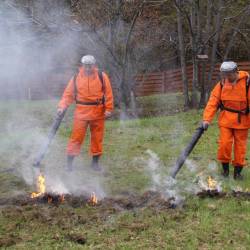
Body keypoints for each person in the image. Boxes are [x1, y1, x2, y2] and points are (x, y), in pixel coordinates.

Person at [57, 55, 114, 171]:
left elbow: (108, 93)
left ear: (94, 65)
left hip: (98, 112)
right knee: (76, 138)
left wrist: (108, 109)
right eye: (86, 66)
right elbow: (68, 95)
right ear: (82, 65)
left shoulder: (102, 76)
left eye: (90, 66)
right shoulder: (76, 78)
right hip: (81, 114)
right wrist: (62, 107)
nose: (88, 68)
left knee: (97, 139)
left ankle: (95, 164)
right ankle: (69, 164)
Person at [202, 61, 249, 180]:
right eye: (224, 74)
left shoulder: (247, 83)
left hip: (242, 121)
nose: (227, 77)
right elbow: (213, 102)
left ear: (236, 72)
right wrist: (207, 119)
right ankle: (225, 171)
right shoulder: (222, 84)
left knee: (240, 147)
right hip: (226, 120)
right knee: (224, 144)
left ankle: (238, 173)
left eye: (229, 74)